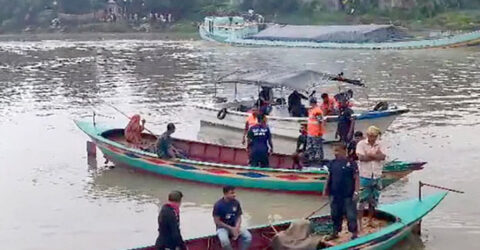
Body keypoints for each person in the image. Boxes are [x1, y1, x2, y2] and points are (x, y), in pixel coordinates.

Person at [324, 144, 359, 240]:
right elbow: (329, 176)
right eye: (335, 151)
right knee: (335, 214)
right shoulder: (332, 163)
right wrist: (325, 189)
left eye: (337, 151)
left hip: (348, 194)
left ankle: (354, 233)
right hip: (335, 194)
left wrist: (356, 192)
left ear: (344, 151)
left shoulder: (351, 163)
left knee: (351, 214)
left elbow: (356, 178)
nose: (335, 153)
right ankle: (335, 232)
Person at [356, 126, 386, 226]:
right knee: (361, 200)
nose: (372, 138)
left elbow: (382, 156)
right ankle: (359, 222)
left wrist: (370, 155)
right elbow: (361, 158)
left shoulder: (381, 144)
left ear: (377, 136)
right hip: (365, 175)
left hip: (377, 175)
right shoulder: (361, 144)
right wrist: (375, 156)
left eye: (374, 136)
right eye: (370, 135)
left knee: (373, 200)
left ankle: (370, 220)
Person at [213, 186, 252, 250]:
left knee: (248, 237)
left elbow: (239, 217)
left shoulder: (236, 203)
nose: (234, 195)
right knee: (224, 241)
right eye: (232, 193)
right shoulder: (218, 205)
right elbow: (217, 221)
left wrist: (236, 228)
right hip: (222, 228)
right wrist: (231, 229)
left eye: (234, 193)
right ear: (225, 194)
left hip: (234, 226)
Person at [306, 97, 325, 165]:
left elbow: (320, 121)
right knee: (310, 147)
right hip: (310, 132)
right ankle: (311, 159)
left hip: (316, 132)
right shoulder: (311, 110)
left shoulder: (317, 111)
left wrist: (320, 132)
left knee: (317, 147)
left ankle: (319, 160)